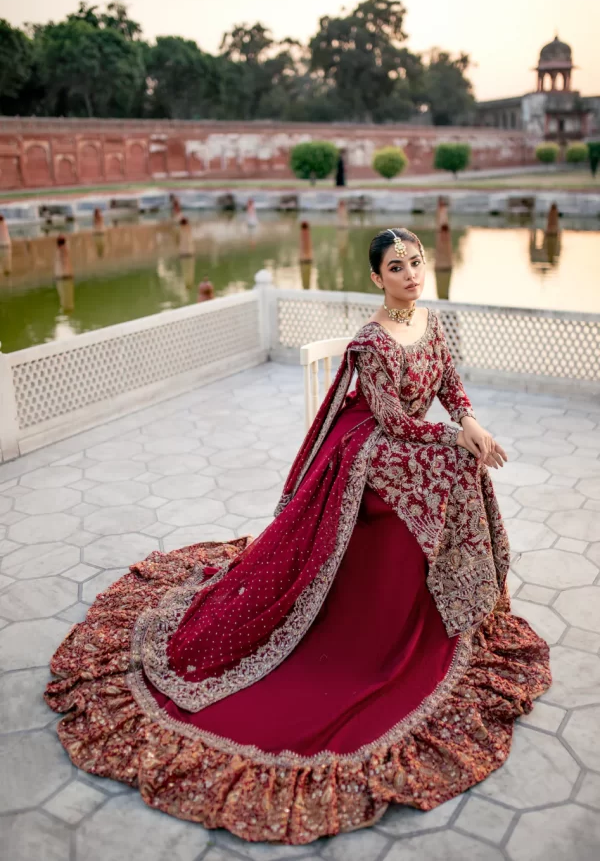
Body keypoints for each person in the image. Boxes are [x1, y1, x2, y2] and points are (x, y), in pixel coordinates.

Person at [45, 227, 551, 846]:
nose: (412, 274)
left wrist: (468, 422)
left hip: (408, 440)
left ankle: (461, 595)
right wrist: (451, 439)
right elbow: (393, 419)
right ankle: (422, 603)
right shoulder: (372, 342)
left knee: (459, 460)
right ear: (376, 278)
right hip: (370, 444)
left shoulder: (431, 322)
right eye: (397, 268)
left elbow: (450, 386)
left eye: (416, 263)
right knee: (450, 461)